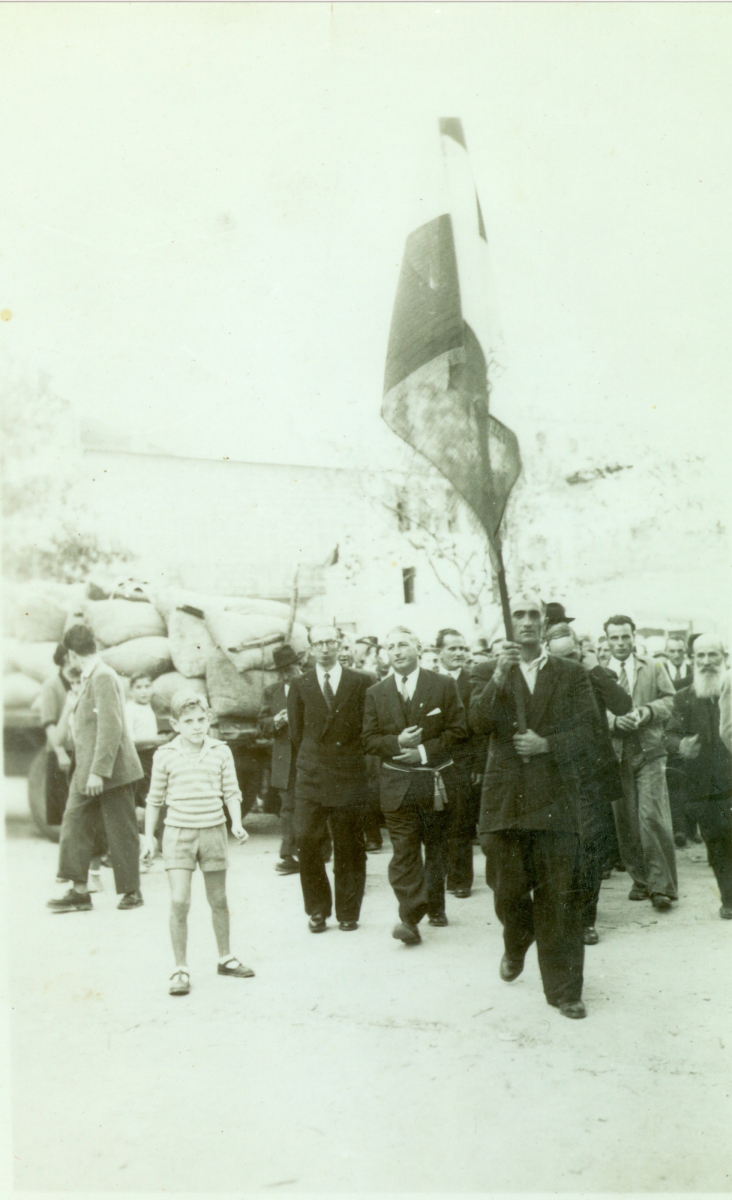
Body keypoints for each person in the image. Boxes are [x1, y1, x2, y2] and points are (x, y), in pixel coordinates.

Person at [470, 595, 600, 1020]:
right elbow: (477, 724)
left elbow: (590, 731)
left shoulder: (570, 673)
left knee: (559, 896)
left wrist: (548, 745)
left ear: (545, 623)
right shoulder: (487, 671)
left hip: (554, 797)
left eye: (533, 615)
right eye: (518, 615)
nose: (526, 621)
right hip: (504, 799)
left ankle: (565, 989)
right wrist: (499, 676)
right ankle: (517, 937)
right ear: (507, 623)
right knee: (507, 889)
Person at [142, 691, 253, 995]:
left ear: (209, 720)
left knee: (218, 899)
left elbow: (231, 791)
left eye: (201, 720)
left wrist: (237, 822)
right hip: (178, 834)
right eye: (188, 721)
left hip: (213, 831)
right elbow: (154, 799)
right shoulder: (164, 754)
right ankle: (180, 968)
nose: (196, 726)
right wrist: (149, 837)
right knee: (180, 901)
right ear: (175, 725)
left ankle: (226, 958)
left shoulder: (221, 751)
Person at [362, 626, 466, 944]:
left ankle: (436, 906)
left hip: (434, 783)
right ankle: (409, 918)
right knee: (404, 853)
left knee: (436, 849)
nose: (397, 651)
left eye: (403, 644)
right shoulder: (376, 692)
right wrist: (397, 742)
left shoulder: (443, 685)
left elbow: (459, 730)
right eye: (391, 646)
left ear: (418, 648)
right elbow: (368, 739)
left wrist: (421, 751)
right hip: (397, 786)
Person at [545, 623, 631, 944]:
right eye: (561, 658)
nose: (569, 664)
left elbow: (622, 705)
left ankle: (586, 920)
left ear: (581, 651)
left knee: (590, 847)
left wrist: (595, 670)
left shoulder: (596, 674)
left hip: (592, 773)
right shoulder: (544, 680)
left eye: (573, 656)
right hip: (555, 773)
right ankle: (564, 911)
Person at [48, 624, 144, 913]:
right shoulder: (90, 677)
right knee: (74, 821)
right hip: (87, 770)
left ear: (72, 654)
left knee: (121, 829)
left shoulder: (102, 676)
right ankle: (79, 891)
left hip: (112, 770)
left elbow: (110, 727)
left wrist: (98, 772)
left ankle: (132, 892)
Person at [287, 625, 371, 933]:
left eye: (330, 642)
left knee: (349, 844)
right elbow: (296, 732)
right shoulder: (300, 684)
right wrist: (314, 759)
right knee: (307, 839)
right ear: (310, 649)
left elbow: (367, 725)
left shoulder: (361, 681)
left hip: (348, 772)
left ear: (340, 645)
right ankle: (317, 909)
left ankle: (348, 912)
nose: (325, 648)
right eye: (318, 643)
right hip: (312, 774)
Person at [604, 614, 676, 911]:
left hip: (649, 751)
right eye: (614, 637)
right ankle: (641, 880)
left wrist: (647, 712)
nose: (621, 643)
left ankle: (662, 887)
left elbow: (670, 701)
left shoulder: (653, 666)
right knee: (626, 820)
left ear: (634, 637)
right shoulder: (598, 672)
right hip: (615, 754)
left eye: (625, 636)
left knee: (651, 817)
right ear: (607, 640)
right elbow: (589, 710)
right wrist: (613, 721)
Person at [664, 635, 732, 920]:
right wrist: (681, 745)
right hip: (705, 787)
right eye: (700, 656)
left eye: (712, 655)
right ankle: (729, 899)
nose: (706, 662)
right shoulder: (684, 697)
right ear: (692, 660)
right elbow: (669, 735)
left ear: (724, 658)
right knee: (716, 843)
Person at [435, 627, 486, 899]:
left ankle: (460, 879)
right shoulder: (429, 681)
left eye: (462, 648)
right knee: (436, 821)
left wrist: (478, 764)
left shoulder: (473, 681)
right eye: (452, 648)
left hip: (464, 760)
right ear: (439, 652)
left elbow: (480, 728)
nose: (458, 653)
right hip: (433, 760)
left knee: (461, 820)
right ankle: (438, 875)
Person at [257, 644, 303, 875]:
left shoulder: (311, 686)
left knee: (315, 804)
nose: (287, 674)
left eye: (291, 668)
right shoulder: (272, 692)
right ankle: (288, 855)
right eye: (282, 670)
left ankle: (322, 849)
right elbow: (262, 725)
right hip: (285, 759)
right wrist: (276, 721)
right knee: (288, 807)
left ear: (299, 665)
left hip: (310, 756)